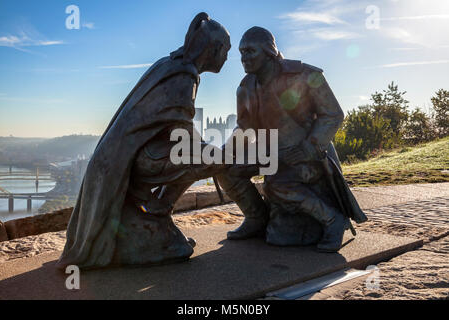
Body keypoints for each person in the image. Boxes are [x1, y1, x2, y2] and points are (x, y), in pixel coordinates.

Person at [56, 12, 231, 269]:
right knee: (214, 156)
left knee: (207, 154)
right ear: (214, 49)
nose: (227, 57)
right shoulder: (184, 77)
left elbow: (173, 130)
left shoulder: (171, 65)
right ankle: (159, 208)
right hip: (139, 158)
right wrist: (214, 156)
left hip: (127, 155)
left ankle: (158, 214)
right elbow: (184, 136)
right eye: (225, 50)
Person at [217, 27, 367, 252]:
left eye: (250, 51)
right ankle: (256, 218)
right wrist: (224, 153)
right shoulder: (246, 87)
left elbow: (333, 114)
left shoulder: (305, 75)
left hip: (307, 156)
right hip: (271, 154)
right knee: (224, 168)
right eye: (241, 52)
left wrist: (309, 148)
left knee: (277, 184)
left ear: (269, 51)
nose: (243, 58)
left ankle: (332, 220)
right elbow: (244, 127)